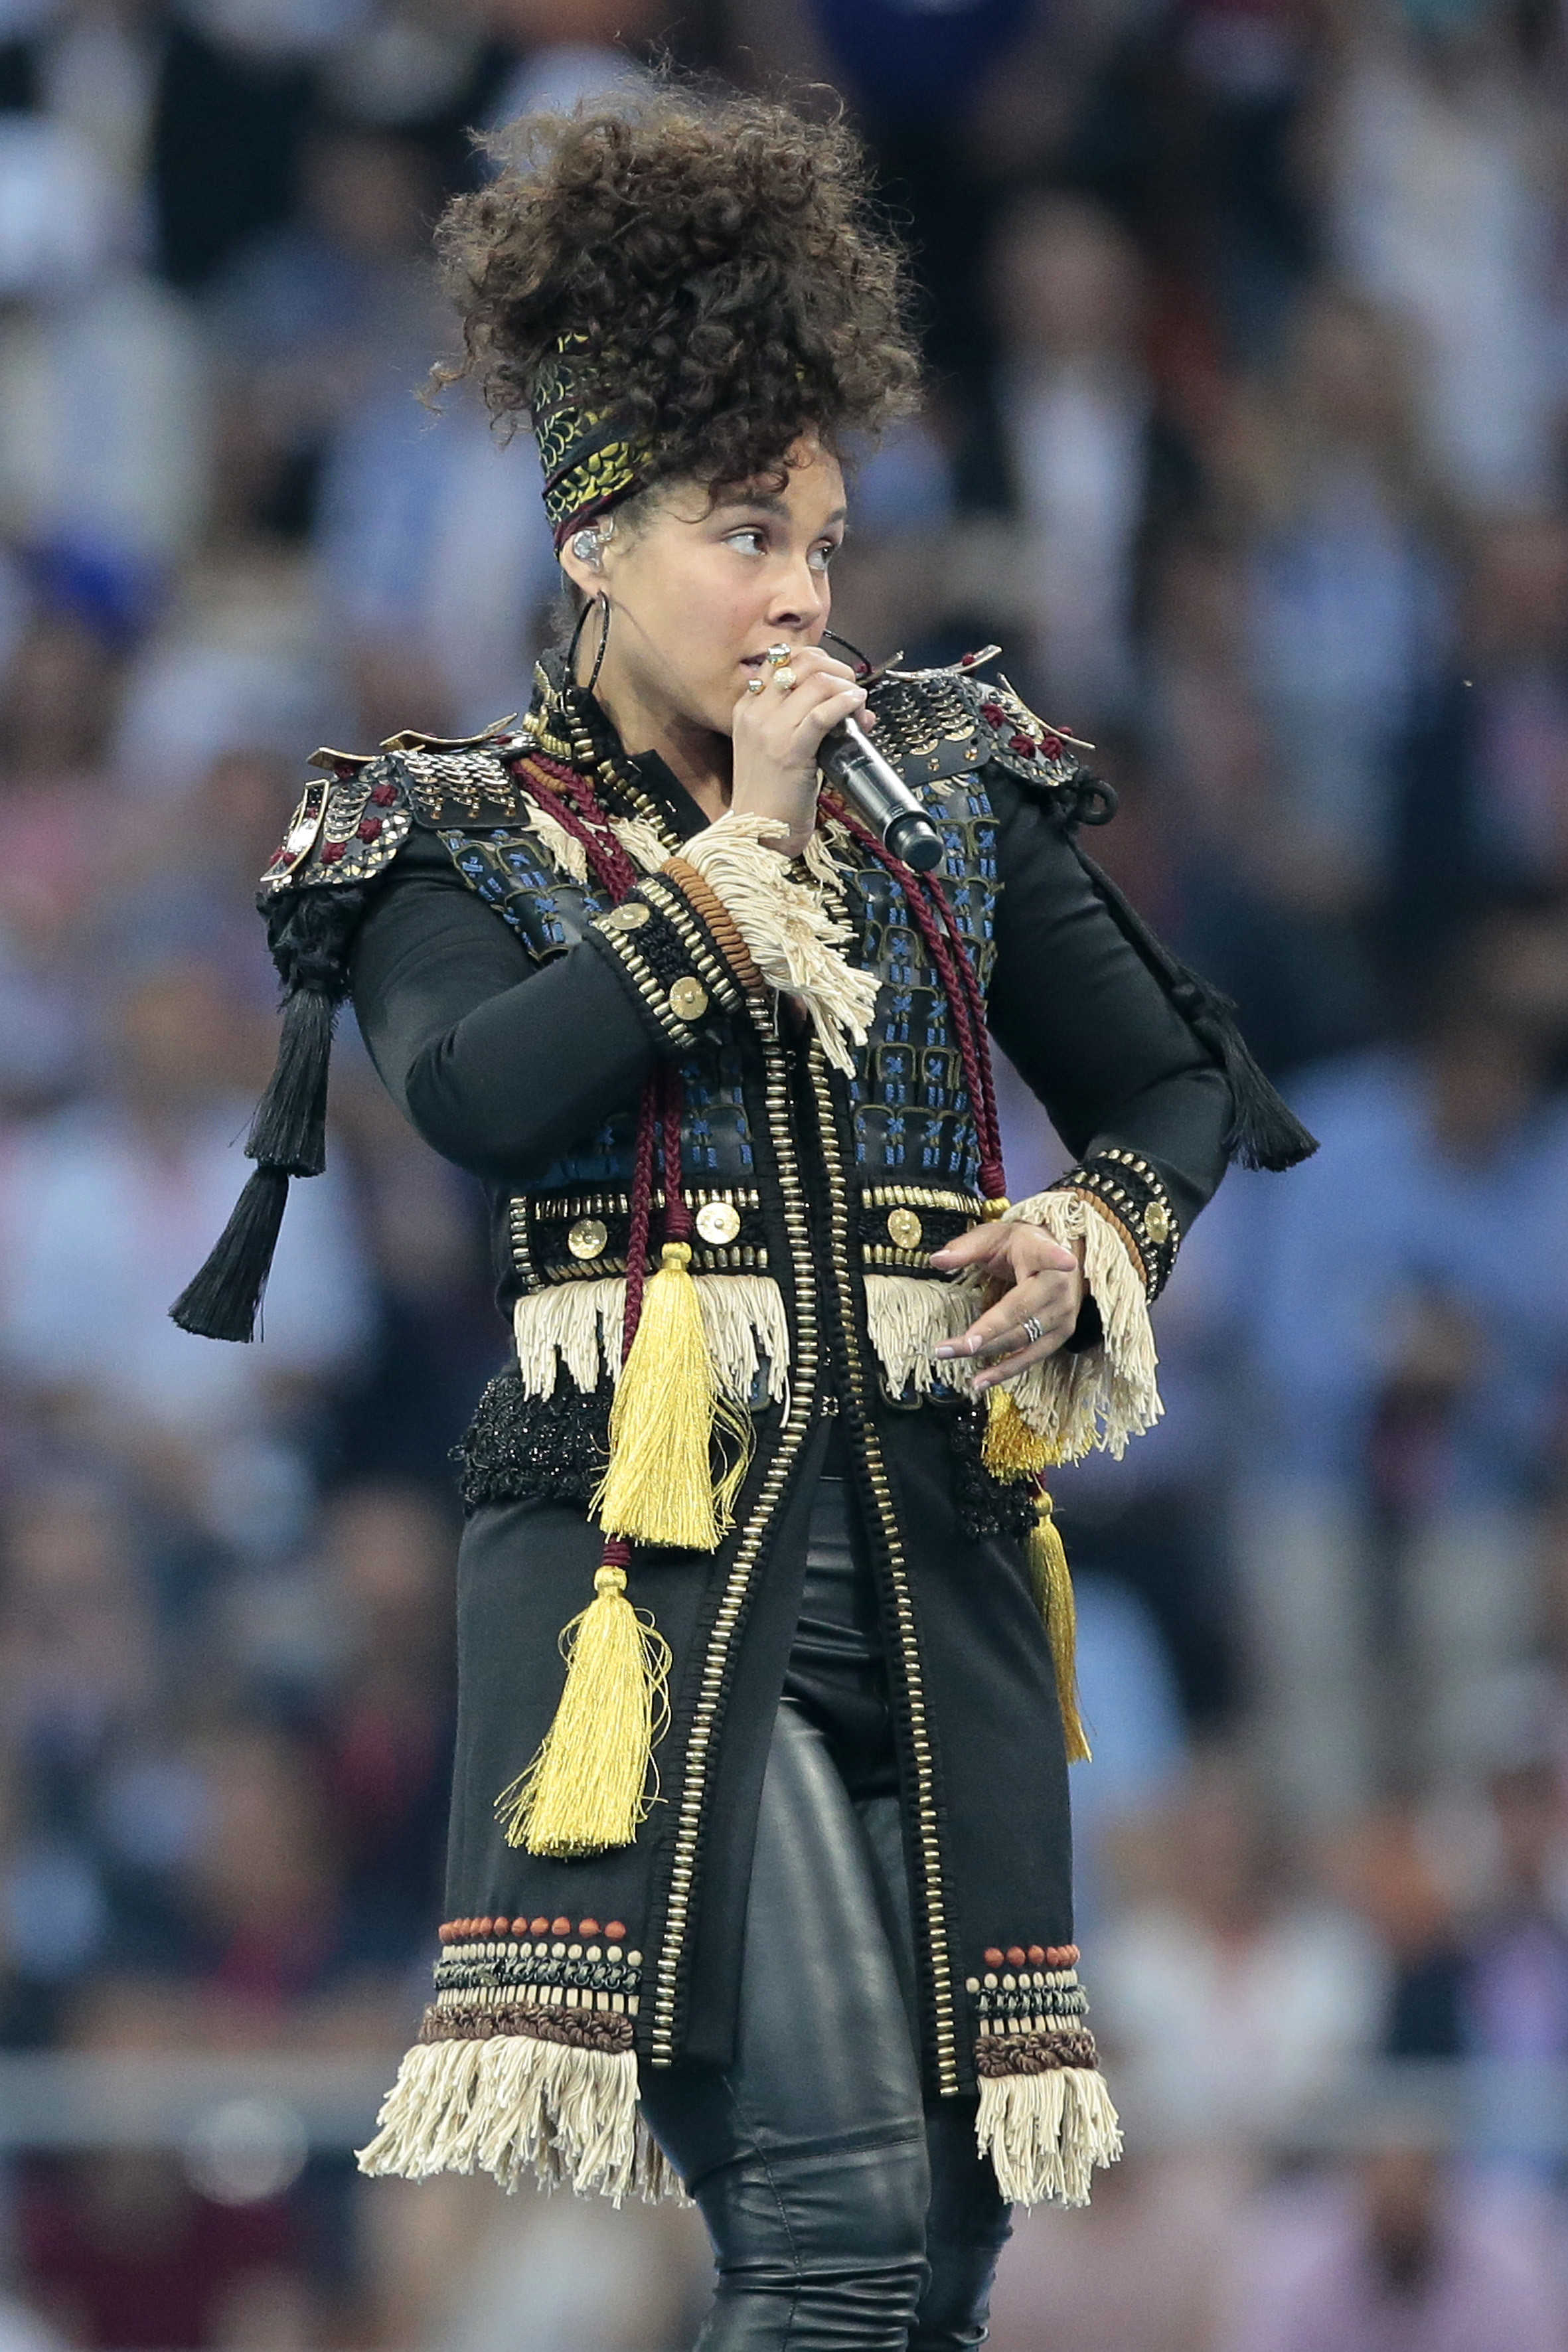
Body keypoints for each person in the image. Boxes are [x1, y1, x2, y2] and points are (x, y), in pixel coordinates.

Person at [172, 88, 1314, 2352]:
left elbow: (1181, 1081)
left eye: (821, 539)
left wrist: (1096, 1226)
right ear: (592, 545)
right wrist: (731, 864)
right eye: (738, 535)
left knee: (952, 2256)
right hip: (649, 1586)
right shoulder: (445, 829)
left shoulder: (950, 786)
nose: (799, 592)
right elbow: (476, 1099)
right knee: (831, 2212)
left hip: (938, 1567)